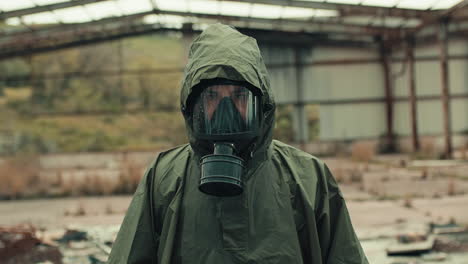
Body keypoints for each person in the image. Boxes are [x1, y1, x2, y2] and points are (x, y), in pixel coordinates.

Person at [107, 23, 368, 264]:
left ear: (261, 103)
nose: (225, 110)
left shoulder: (307, 177)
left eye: (238, 97)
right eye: (212, 97)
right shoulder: (164, 177)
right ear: (193, 105)